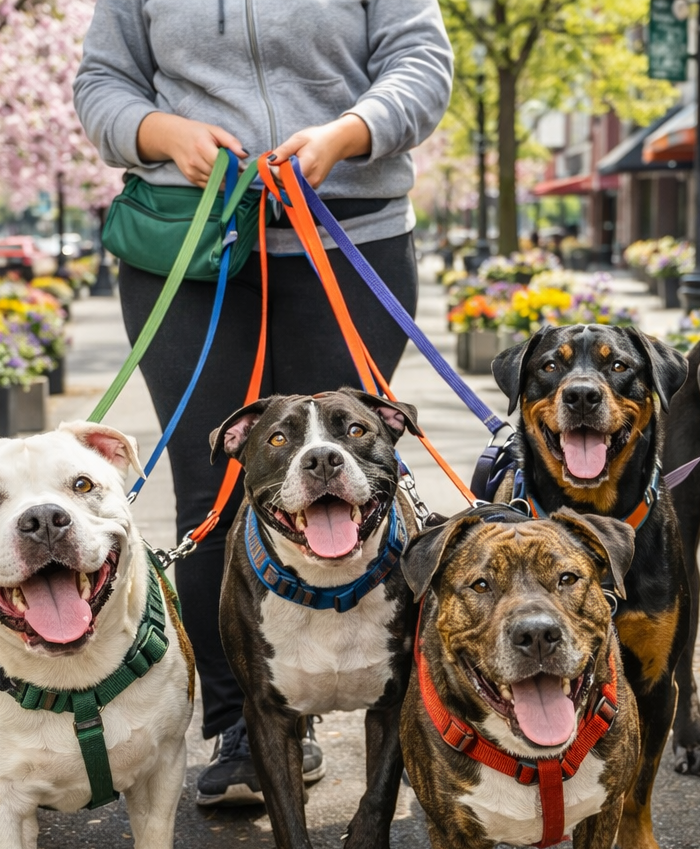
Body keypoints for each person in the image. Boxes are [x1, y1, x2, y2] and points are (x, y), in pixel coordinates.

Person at [75, 0, 452, 805]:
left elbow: (422, 67)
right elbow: (102, 86)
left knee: (349, 468)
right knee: (214, 487)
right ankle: (248, 715)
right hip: (191, 237)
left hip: (347, 232)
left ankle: (390, 686)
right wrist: (159, 133)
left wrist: (347, 133)